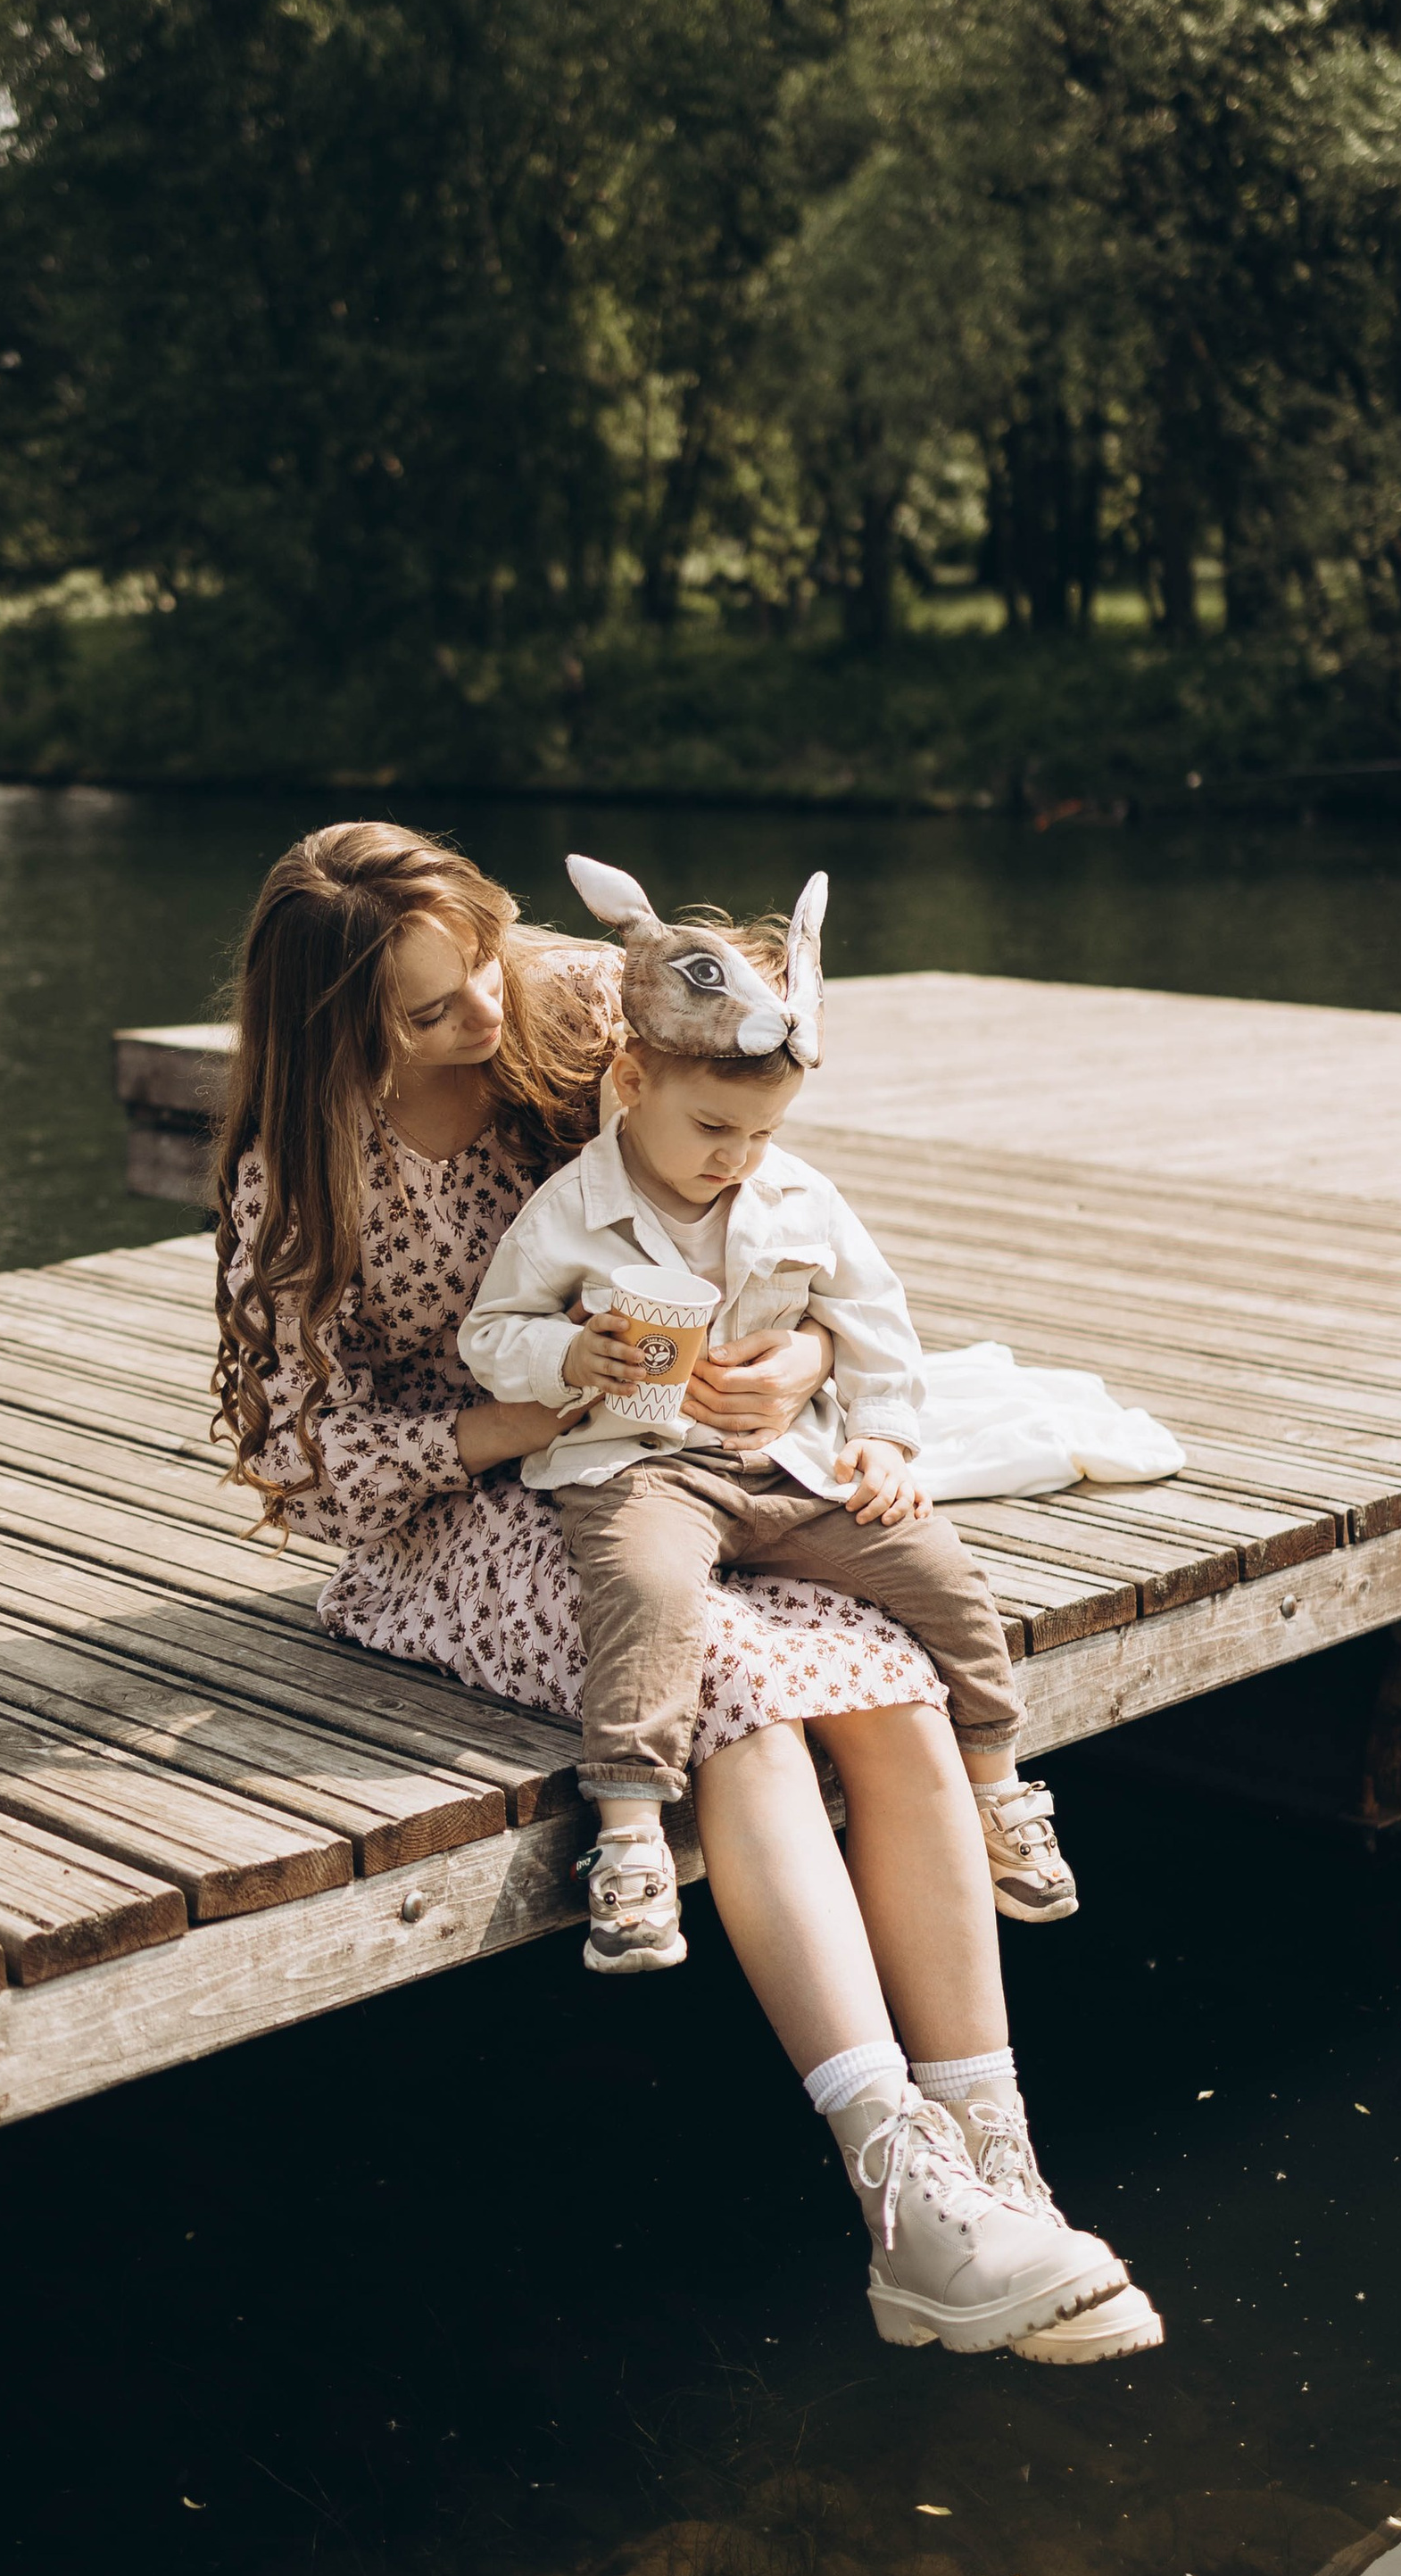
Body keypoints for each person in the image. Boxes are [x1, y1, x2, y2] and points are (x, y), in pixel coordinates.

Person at [212, 820, 1158, 2362]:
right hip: (461, 1518)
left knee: (887, 1675)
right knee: (737, 1692)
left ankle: (1002, 2162)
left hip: (698, 1465)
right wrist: (548, 1407)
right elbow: (318, 1461)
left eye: (484, 966)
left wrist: (801, 1363)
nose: (483, 1019)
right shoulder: (301, 1170)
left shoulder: (586, 1003)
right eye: (430, 1010)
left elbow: (789, 1199)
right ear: (342, 1031)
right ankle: (900, 2206)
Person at [458, 849, 1076, 1992]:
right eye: (712, 1131)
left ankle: (998, 1779)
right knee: (645, 1594)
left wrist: (883, 1441)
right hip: (639, 1465)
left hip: (784, 1461)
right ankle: (633, 1832)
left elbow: (873, 1318)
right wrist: (566, 1356)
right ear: (634, 1084)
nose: (736, 1159)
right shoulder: (571, 1210)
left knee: (941, 1570)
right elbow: (488, 1337)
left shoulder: (796, 1194)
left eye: (761, 1134)